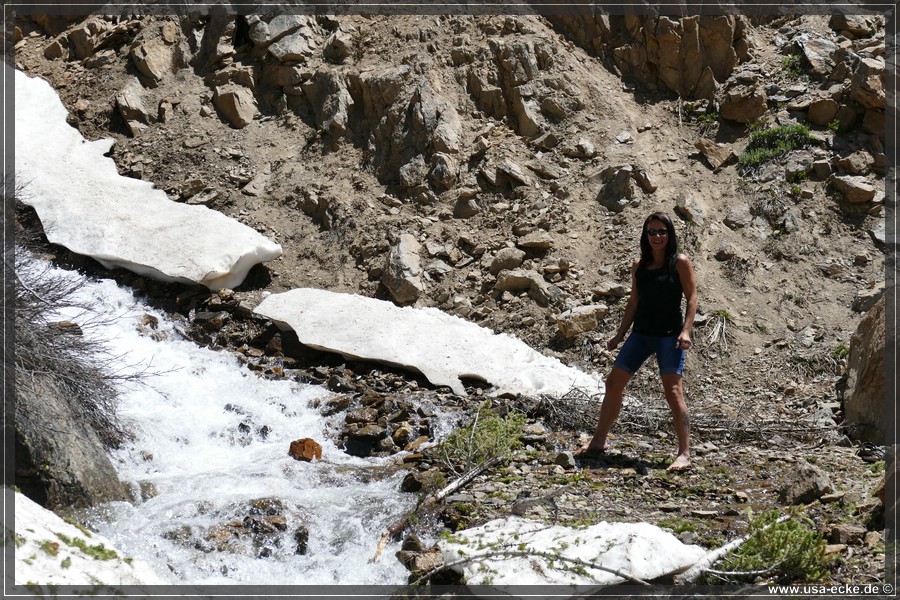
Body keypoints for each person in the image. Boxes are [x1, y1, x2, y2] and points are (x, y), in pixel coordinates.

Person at [577, 211, 697, 471]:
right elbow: (634, 302)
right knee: (614, 383)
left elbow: (692, 297)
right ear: (645, 235)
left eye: (662, 232)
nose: (657, 236)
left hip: (669, 337)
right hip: (641, 334)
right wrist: (620, 334)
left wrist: (686, 330)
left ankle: (684, 453)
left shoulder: (680, 263)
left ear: (670, 235)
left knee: (673, 391)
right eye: (652, 232)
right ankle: (599, 441)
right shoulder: (639, 265)